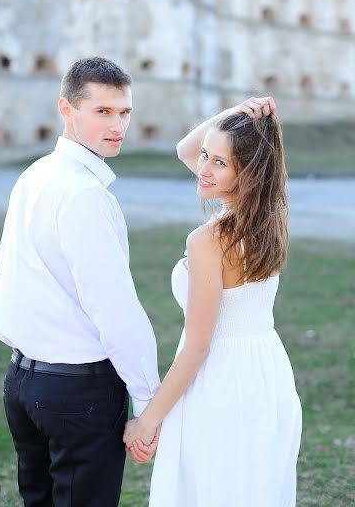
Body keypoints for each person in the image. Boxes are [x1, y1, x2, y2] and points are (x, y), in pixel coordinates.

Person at [0, 56, 162, 507]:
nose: (117, 125)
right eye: (102, 112)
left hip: (22, 384)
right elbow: (115, 309)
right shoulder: (84, 194)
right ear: (66, 110)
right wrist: (148, 403)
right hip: (77, 392)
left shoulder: (35, 175)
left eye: (124, 112)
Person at [124, 97, 302, 507]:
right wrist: (238, 114)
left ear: (248, 172)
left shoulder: (208, 241)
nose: (202, 168)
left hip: (220, 385)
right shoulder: (269, 215)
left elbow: (199, 345)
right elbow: (185, 149)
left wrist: (148, 421)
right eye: (207, 156)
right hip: (267, 375)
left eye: (219, 163)